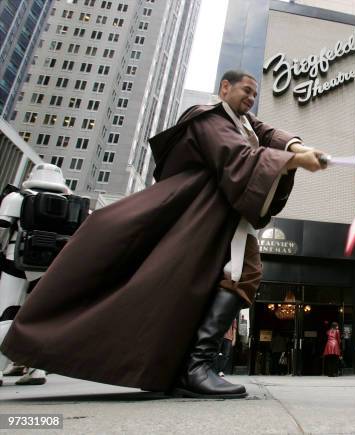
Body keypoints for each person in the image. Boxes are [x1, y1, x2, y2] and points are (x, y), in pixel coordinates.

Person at [1, 69, 326, 399]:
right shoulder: (209, 119)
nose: (250, 99)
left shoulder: (240, 121)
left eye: (255, 95)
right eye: (245, 91)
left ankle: (193, 366)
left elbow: (266, 132)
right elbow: (236, 157)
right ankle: (194, 368)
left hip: (222, 219)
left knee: (241, 275)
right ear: (224, 87)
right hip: (201, 217)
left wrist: (298, 146)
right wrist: (292, 160)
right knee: (223, 277)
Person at [0, 164, 89, 387]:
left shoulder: (16, 198)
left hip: (16, 260)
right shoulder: (74, 205)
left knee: (7, 313)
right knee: (40, 318)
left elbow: (2, 229)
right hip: (53, 265)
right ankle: (37, 369)